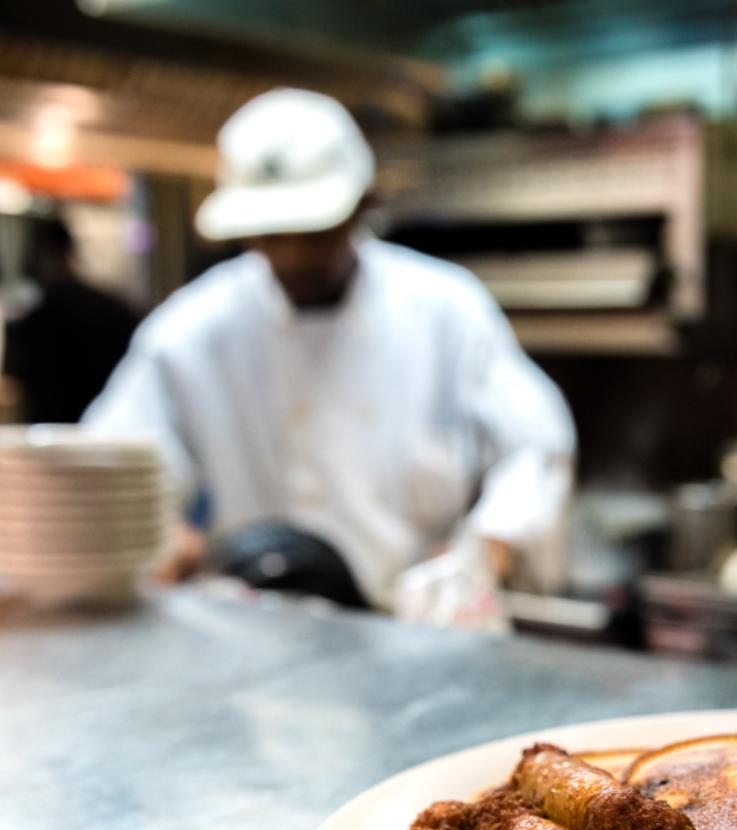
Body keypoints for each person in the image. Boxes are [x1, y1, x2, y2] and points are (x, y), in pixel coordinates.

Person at [85, 88, 575, 606]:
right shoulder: (193, 330)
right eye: (272, 236)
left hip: (412, 619)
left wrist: (492, 546)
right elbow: (110, 464)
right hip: (257, 622)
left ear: (365, 205)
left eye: (315, 233)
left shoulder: (446, 309)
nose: (294, 257)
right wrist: (156, 537)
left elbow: (535, 448)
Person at [3, 216, 139, 425]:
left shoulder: (41, 315)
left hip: (56, 435)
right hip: (110, 428)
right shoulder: (112, 307)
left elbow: (19, 375)